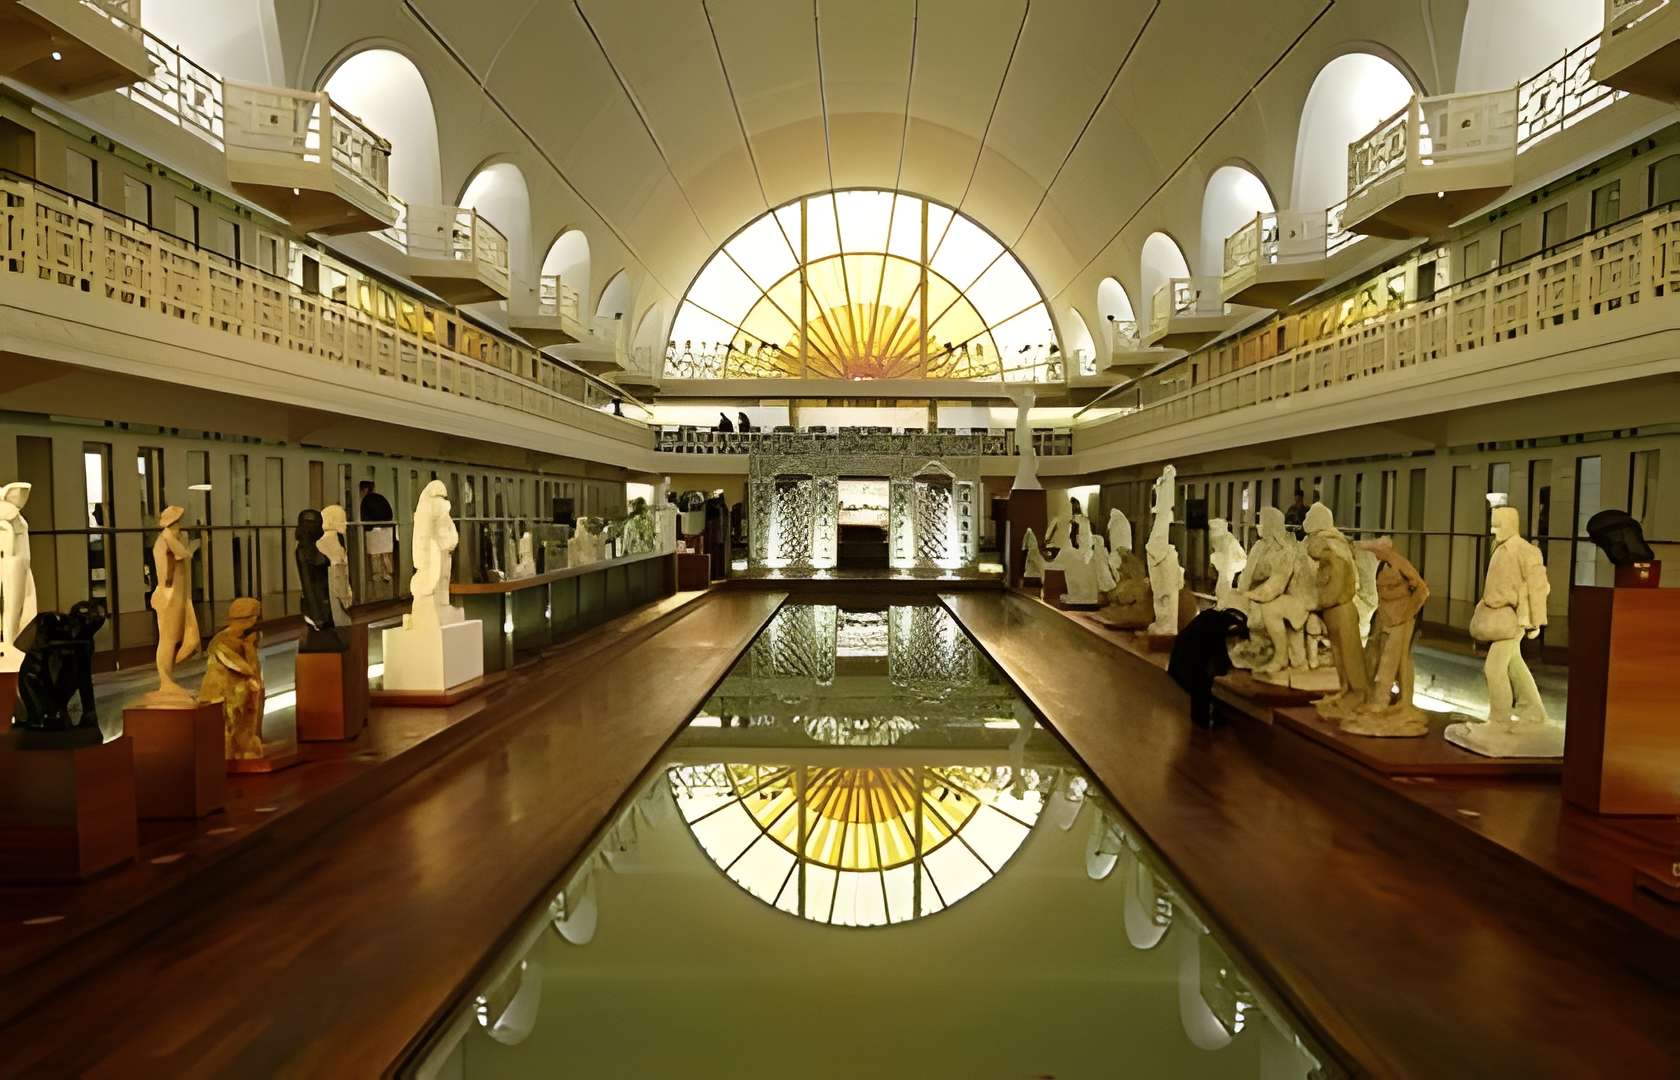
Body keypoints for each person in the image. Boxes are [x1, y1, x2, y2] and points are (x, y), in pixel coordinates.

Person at [359, 480, 395, 597]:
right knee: (385, 554)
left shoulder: (366, 501)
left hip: (373, 531)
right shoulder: (381, 498)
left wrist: (366, 528)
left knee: (375, 556)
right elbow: (389, 513)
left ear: (364, 490)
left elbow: (365, 518)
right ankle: (387, 573)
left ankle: (377, 575)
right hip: (387, 529)